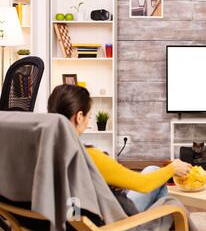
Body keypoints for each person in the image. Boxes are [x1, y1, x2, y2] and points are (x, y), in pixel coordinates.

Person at [47, 84, 192, 214]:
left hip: (72, 218)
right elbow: (143, 184)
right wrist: (172, 168)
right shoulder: (89, 156)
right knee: (170, 202)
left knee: (152, 170)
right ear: (79, 117)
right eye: (89, 117)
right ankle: (149, 225)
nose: (88, 122)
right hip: (111, 223)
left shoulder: (43, 152)